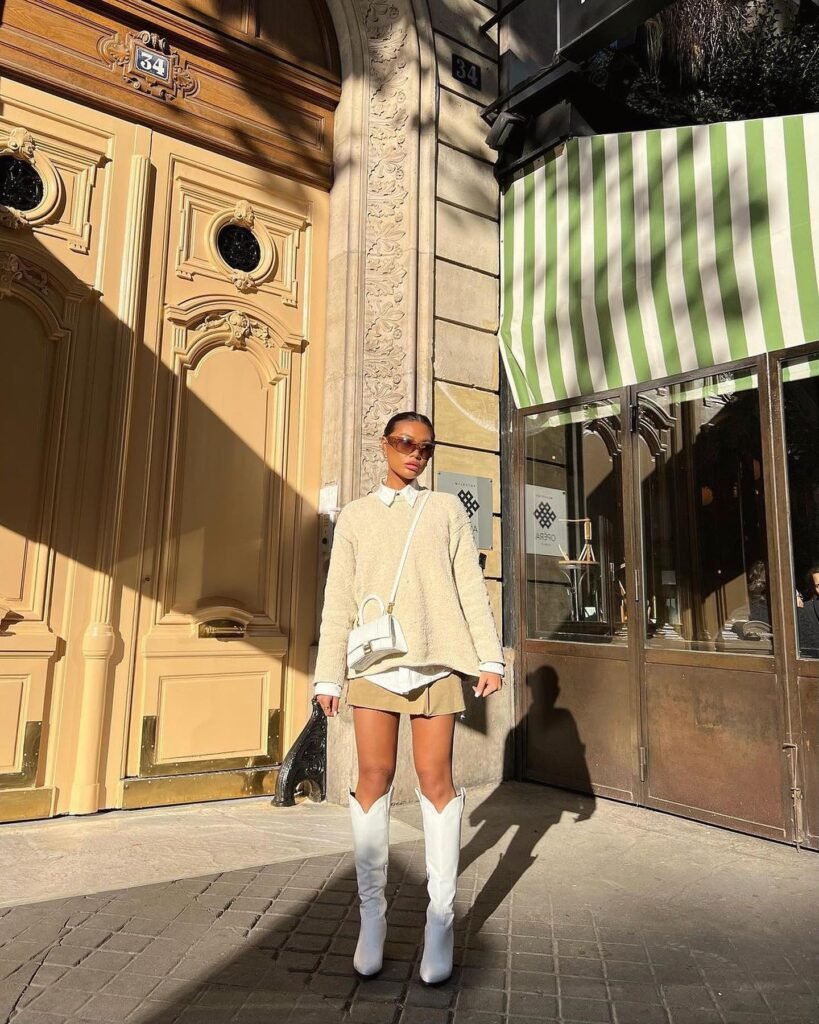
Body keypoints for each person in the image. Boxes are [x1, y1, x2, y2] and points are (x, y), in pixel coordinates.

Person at [313, 412, 504, 984]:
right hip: (373, 665)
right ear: (384, 446)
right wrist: (328, 676)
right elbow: (338, 599)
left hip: (435, 663)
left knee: (435, 781)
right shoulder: (356, 516)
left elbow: (468, 585)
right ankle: (372, 918)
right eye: (404, 443)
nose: (415, 454)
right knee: (372, 776)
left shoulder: (445, 510)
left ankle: (439, 921)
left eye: (425, 447)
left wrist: (488, 657)